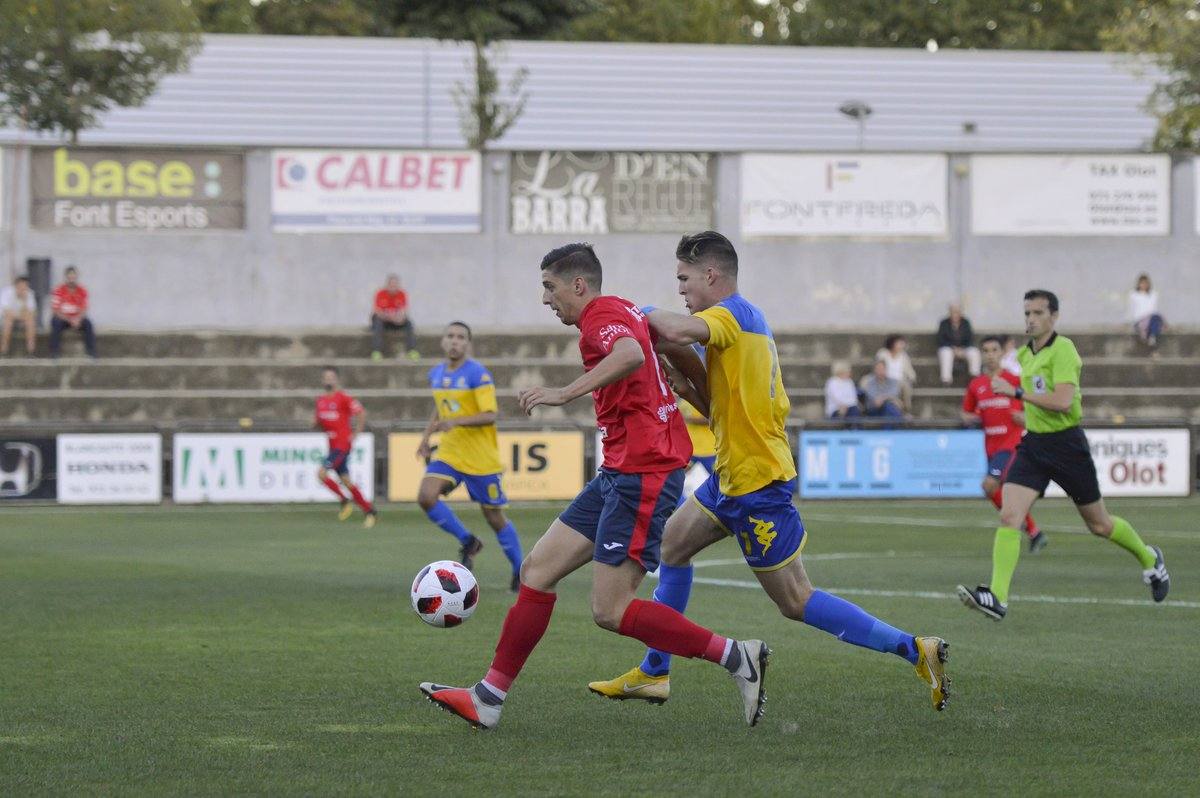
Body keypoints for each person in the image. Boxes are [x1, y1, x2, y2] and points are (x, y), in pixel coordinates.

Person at [588, 231, 949, 713]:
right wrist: (686, 388)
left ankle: (915, 649)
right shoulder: (737, 327)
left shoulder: (734, 314)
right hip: (732, 476)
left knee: (796, 601)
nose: (681, 290)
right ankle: (655, 672)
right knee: (672, 547)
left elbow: (671, 330)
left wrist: (630, 312)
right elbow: (721, 408)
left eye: (684, 278)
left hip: (758, 483)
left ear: (710, 275)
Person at [420, 243, 767, 731]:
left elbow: (627, 353)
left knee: (610, 608)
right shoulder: (623, 307)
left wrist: (564, 393)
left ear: (577, 285)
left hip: (644, 470)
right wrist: (698, 397)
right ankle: (488, 698)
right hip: (622, 469)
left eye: (549, 287)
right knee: (538, 569)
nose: (546, 299)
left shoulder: (601, 316)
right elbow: (670, 348)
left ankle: (736, 656)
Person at [958, 290, 1169, 621]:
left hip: (1067, 446)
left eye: (1037, 313)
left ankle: (1149, 557)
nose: (1030, 318)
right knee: (1009, 515)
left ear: (1053, 317)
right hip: (1034, 446)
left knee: (1099, 524)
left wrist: (1017, 393)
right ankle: (998, 598)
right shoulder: (1027, 356)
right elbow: (1039, 404)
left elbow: (1062, 402)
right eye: (1026, 312)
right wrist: (1025, 415)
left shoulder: (1064, 350)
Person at [416, 321, 524, 591]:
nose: (454, 341)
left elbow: (490, 415)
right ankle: (468, 541)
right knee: (426, 496)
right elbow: (440, 409)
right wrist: (426, 438)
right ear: (443, 341)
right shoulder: (437, 374)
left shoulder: (478, 374)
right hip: (451, 452)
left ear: (468, 343)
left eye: (460, 337)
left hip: (480, 458)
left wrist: (458, 422)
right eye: (450, 336)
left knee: (494, 517)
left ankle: (520, 571)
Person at [961, 336, 1045, 553]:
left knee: (989, 485)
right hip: (990, 446)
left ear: (1001, 353)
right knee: (1003, 492)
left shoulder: (1014, 380)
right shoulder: (976, 384)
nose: (990, 354)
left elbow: (1035, 408)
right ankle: (1034, 532)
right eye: (986, 350)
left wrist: (1025, 417)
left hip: (1012, 444)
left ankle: (1016, 524)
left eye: (994, 350)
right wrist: (969, 418)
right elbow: (967, 411)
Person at [314, 366, 378, 528]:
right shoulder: (321, 401)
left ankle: (344, 501)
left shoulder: (343, 398)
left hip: (342, 446)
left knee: (321, 473)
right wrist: (316, 424)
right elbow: (320, 422)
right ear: (322, 380)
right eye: (326, 377)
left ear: (336, 380)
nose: (328, 380)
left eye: (331, 377)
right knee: (347, 481)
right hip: (332, 446)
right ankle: (369, 511)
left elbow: (361, 413)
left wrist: (356, 434)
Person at [49, 266, 97, 359]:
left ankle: (91, 352)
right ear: (66, 277)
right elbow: (55, 310)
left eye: (73, 277)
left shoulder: (82, 290)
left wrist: (78, 318)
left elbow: (84, 308)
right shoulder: (58, 290)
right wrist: (69, 319)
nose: (71, 279)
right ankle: (54, 352)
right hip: (63, 318)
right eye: (69, 277)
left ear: (76, 277)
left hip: (77, 319)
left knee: (88, 324)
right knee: (55, 322)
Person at [370, 274, 418, 360]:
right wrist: (390, 317)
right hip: (383, 321)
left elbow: (404, 311)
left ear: (398, 285)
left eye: (395, 285)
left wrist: (398, 318)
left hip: (397, 321)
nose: (393, 287)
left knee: (409, 323)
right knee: (377, 321)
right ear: (387, 285)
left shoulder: (402, 294)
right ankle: (377, 351)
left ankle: (412, 351)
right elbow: (377, 311)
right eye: (391, 284)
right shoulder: (380, 293)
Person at [937, 303, 979, 384]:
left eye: (957, 312)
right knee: (945, 352)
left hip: (964, 349)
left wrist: (962, 349)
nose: (955, 314)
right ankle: (946, 379)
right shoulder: (944, 323)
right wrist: (953, 348)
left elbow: (970, 338)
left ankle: (974, 376)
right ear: (950, 313)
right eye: (953, 312)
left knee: (974, 352)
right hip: (949, 348)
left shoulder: (966, 322)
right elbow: (940, 339)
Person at [875, 334, 916, 410]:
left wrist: (912, 378)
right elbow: (879, 367)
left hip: (899, 381)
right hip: (886, 380)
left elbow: (910, 371)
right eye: (900, 343)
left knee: (906, 387)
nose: (902, 346)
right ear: (893, 343)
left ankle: (907, 410)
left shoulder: (903, 356)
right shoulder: (882, 353)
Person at [859, 358, 904, 425]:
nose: (880, 371)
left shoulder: (893, 381)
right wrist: (887, 397)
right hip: (874, 409)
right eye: (878, 369)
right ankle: (901, 420)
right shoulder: (869, 382)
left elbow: (894, 393)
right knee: (889, 407)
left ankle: (889, 430)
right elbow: (873, 396)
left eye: (882, 369)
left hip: (888, 408)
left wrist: (883, 398)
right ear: (874, 370)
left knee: (888, 407)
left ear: (886, 369)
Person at [0, 275, 37, 357]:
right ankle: (3, 351)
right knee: (8, 321)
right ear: (16, 285)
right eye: (21, 286)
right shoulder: (6, 292)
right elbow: (7, 312)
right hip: (7, 319)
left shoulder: (29, 293)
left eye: (25, 286)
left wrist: (24, 301)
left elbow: (32, 313)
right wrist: (21, 316)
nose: (23, 288)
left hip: (22, 319)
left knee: (31, 322)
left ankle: (31, 351)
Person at [1128, 273, 1164, 353]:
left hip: (1152, 318)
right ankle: (1151, 337)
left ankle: (1151, 337)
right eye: (1142, 283)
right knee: (1155, 318)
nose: (1144, 285)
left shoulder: (1154, 294)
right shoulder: (1134, 295)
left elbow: (1154, 309)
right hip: (1140, 320)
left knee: (1155, 317)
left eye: (1146, 283)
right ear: (1139, 284)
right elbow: (1132, 310)